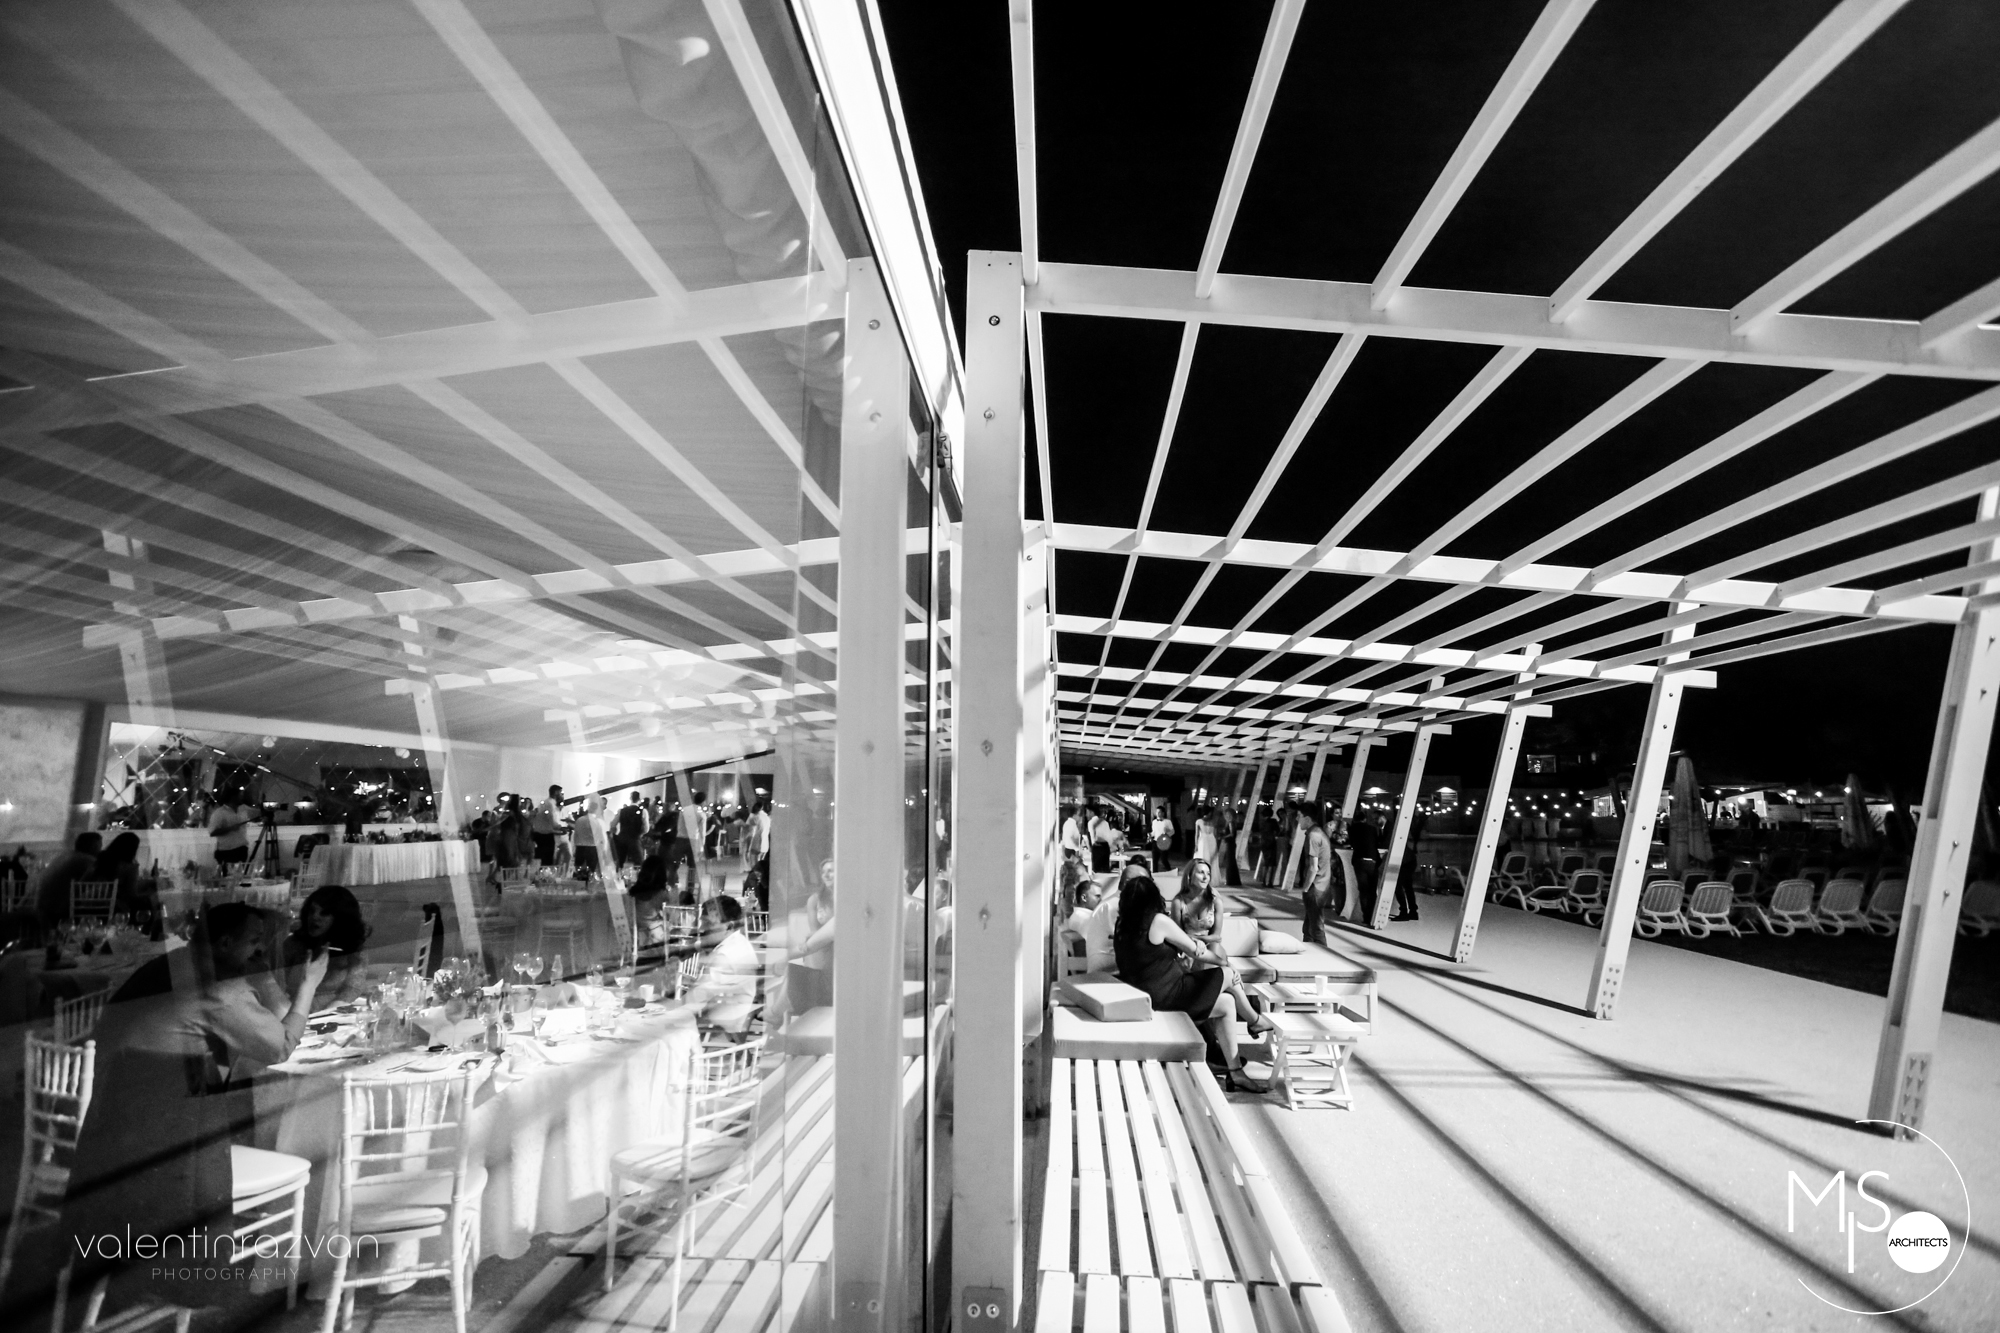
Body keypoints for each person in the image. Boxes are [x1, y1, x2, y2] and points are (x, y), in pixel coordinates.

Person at [60, 902, 328, 1317]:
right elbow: (279, 1046)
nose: (262, 949)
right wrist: (308, 986)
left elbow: (270, 1019)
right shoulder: (218, 990)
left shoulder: (173, 964)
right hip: (169, 1129)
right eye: (255, 941)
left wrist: (259, 972)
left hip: (113, 1118)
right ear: (224, 942)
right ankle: (184, 1281)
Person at [1112, 876, 1269, 1093]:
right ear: (1153, 898)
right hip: (1168, 995)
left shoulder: (1122, 926)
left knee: (1226, 1004)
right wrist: (1224, 962)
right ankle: (1254, 1020)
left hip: (1146, 995)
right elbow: (1196, 952)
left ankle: (1236, 1073)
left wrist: (1193, 945)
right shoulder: (1158, 921)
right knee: (1226, 973)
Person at [283, 884, 372, 1011]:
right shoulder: (293, 944)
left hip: (333, 1012)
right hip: (292, 1009)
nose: (315, 917)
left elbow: (352, 987)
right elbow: (277, 984)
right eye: (312, 911)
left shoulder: (354, 949)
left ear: (341, 918)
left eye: (324, 913)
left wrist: (330, 1012)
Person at [676, 894, 759, 1024]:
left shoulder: (725, 957)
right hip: (733, 1016)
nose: (701, 929)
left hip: (722, 1025)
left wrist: (664, 1010)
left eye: (708, 923)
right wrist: (693, 947)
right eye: (702, 921)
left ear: (729, 926)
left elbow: (694, 999)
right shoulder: (738, 941)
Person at [787, 857, 835, 1012]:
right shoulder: (815, 900)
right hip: (821, 946)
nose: (826, 875)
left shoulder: (847, 901)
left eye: (831, 871)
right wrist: (813, 938)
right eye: (823, 872)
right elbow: (814, 930)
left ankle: (777, 1012)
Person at [34, 830, 101, 927]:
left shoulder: (65, 856)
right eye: (99, 846)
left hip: (41, 907)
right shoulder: (87, 860)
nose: (100, 850)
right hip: (57, 912)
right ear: (93, 847)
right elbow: (99, 883)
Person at [1299, 812, 1344, 944]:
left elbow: (1313, 867)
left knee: (1316, 927)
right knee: (1309, 926)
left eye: (1299, 816)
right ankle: (1309, 950)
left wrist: (1306, 888)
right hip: (1322, 883)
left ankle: (1323, 953)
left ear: (1307, 818)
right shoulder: (1320, 833)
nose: (1297, 819)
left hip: (1316, 885)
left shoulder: (1313, 836)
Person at [1392, 809, 1427, 921]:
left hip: (1405, 860)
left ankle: (1404, 911)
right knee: (1408, 887)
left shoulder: (1406, 829)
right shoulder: (1415, 828)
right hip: (1410, 860)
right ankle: (1412, 911)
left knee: (1398, 885)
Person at [207, 792, 257, 869]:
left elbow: (256, 814)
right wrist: (230, 828)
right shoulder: (219, 813)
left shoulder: (243, 809)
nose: (241, 798)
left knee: (241, 872)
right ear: (232, 798)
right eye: (239, 796)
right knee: (227, 873)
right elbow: (212, 832)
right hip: (226, 851)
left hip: (242, 849)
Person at [1351, 811, 1383, 924]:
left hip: (1359, 861)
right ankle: (1373, 915)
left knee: (1363, 890)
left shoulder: (1352, 829)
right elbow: (1376, 843)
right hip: (1372, 860)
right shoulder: (1372, 829)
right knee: (1372, 890)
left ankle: (1366, 917)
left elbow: (1351, 843)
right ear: (1365, 819)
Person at [572, 793, 604, 878]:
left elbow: (575, 835)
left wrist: (574, 848)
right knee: (591, 871)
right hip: (592, 848)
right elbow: (600, 837)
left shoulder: (579, 820)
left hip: (580, 847)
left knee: (579, 870)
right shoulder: (597, 822)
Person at [531, 784, 563, 865]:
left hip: (539, 834)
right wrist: (561, 828)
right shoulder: (550, 804)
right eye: (560, 793)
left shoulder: (545, 802)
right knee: (547, 860)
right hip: (546, 836)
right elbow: (552, 820)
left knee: (542, 859)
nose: (562, 795)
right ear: (556, 792)